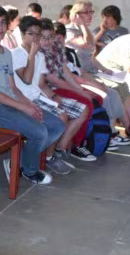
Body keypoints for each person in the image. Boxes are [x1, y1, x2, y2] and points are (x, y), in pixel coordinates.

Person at [0, 3, 65, 184]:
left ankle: (17, 162)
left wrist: (29, 104)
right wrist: (24, 107)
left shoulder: (5, 53)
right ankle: (29, 170)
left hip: (11, 104)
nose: (0, 27)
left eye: (3, 22)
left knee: (57, 126)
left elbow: (13, 88)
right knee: (40, 132)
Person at [12, 17, 90, 165]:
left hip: (39, 96)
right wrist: (31, 55)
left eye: (38, 34)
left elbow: (41, 84)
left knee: (83, 109)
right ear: (22, 35)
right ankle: (48, 157)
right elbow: (27, 80)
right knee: (61, 116)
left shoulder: (40, 55)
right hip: (24, 99)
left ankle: (59, 149)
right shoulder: (15, 54)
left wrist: (54, 97)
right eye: (31, 34)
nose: (35, 38)